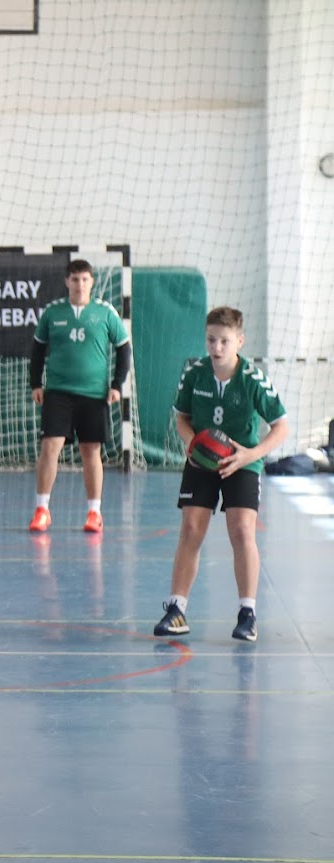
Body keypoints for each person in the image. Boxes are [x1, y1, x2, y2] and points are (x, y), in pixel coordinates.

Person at [153, 307, 288, 643]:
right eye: (211, 339)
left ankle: (247, 613)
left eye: (224, 341)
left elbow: (281, 427)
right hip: (202, 460)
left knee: (242, 530)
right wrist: (192, 444)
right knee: (191, 528)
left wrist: (250, 455)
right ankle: (176, 609)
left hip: (242, 462)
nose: (216, 347)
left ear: (239, 341)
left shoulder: (253, 379)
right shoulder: (195, 373)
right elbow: (181, 418)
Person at [28, 259, 131, 534]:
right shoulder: (52, 313)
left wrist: (117, 385)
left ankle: (94, 513)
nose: (80, 284)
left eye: (85, 279)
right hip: (58, 393)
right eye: (75, 279)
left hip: (94, 395)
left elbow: (124, 349)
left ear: (92, 282)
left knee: (91, 451)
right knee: (50, 446)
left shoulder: (105, 312)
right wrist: (35, 383)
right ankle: (42, 509)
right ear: (67, 281)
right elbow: (37, 350)